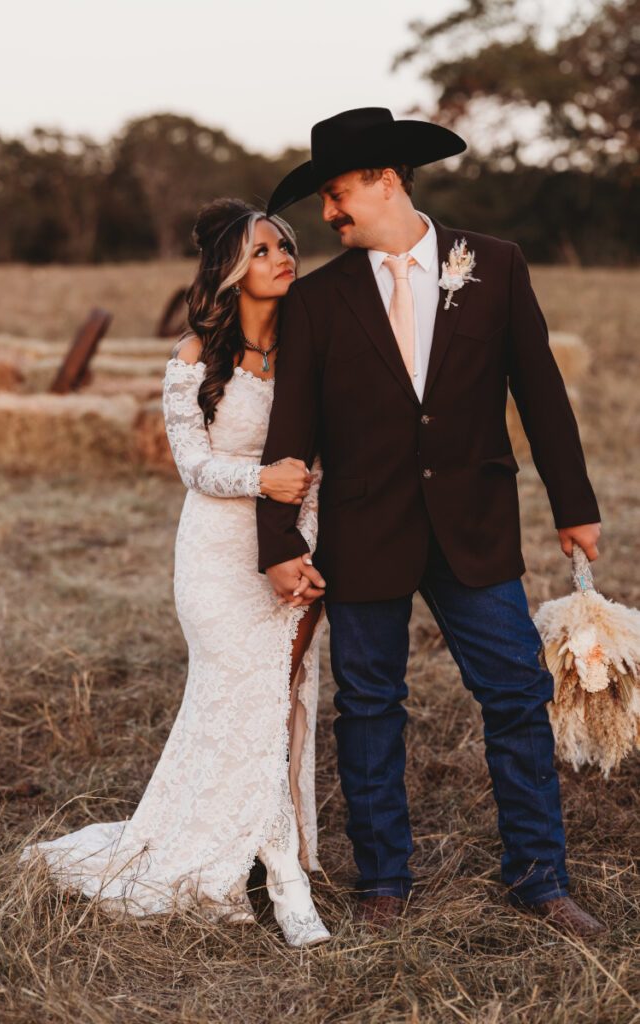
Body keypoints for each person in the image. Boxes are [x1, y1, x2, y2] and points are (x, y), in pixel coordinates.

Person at [256, 107, 605, 939]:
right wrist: (278, 545)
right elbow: (289, 434)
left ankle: (538, 877)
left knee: (516, 696)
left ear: (385, 181)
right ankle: (383, 880)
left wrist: (575, 506)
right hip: (363, 529)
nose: (329, 216)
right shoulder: (315, 300)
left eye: (338, 196)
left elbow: (540, 392)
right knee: (370, 705)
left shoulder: (495, 264)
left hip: (474, 525)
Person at [21, 199, 330, 948]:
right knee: (237, 698)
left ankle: (270, 855)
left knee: (288, 701)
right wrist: (263, 479)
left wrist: (311, 534)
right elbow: (190, 466)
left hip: (300, 545)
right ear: (229, 270)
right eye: (261, 251)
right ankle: (269, 873)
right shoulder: (195, 356)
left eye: (284, 246)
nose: (282, 258)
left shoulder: (312, 350)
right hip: (218, 557)